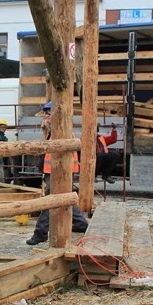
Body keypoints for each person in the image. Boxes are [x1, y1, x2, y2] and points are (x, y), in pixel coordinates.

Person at [26, 102, 88, 245]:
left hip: (59, 172)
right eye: (45, 114)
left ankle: (40, 233)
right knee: (65, 199)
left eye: (48, 114)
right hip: (56, 171)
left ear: (56, 115)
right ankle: (82, 225)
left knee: (50, 201)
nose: (45, 117)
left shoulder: (61, 130)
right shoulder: (54, 131)